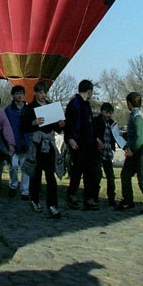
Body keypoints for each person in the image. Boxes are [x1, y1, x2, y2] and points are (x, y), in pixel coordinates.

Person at [21, 80, 65, 219]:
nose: (43, 95)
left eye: (45, 92)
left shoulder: (51, 107)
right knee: (36, 174)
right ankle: (34, 199)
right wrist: (34, 123)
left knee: (50, 176)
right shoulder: (30, 108)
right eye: (40, 92)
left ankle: (53, 205)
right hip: (37, 144)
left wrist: (61, 124)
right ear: (35, 93)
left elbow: (57, 128)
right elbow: (24, 127)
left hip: (49, 143)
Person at [115, 91, 143, 215]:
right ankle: (128, 200)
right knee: (125, 175)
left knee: (142, 178)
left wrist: (132, 150)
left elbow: (141, 136)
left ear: (129, 103)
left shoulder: (137, 116)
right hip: (136, 151)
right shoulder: (137, 114)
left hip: (140, 153)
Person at [64, 79, 100, 210]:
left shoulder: (85, 104)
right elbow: (69, 122)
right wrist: (70, 138)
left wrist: (95, 138)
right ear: (89, 91)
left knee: (89, 172)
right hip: (78, 142)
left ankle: (87, 197)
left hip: (87, 142)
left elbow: (89, 124)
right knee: (78, 170)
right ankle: (72, 194)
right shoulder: (75, 104)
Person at [4, 85, 30, 200]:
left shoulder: (28, 110)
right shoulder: (8, 110)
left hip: (26, 143)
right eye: (17, 93)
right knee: (13, 166)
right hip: (13, 143)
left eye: (21, 93)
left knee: (25, 169)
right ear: (13, 95)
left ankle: (25, 191)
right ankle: (13, 184)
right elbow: (5, 126)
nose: (20, 96)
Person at [92, 102, 118, 206]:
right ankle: (95, 196)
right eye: (107, 112)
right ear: (102, 111)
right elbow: (92, 133)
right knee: (97, 175)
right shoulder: (96, 121)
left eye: (110, 113)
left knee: (110, 176)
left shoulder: (112, 123)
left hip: (108, 152)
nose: (108, 115)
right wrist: (97, 140)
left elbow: (115, 137)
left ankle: (111, 197)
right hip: (98, 152)